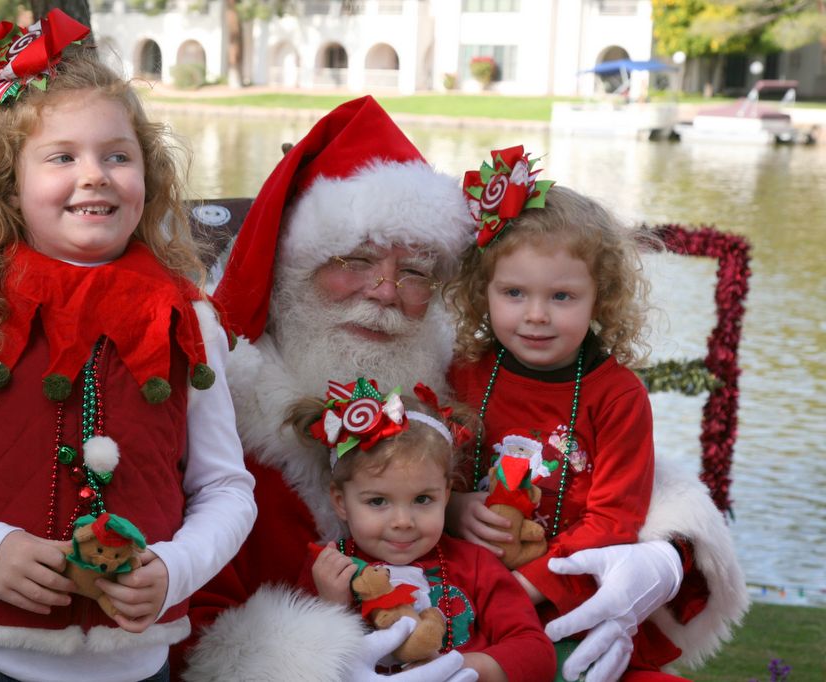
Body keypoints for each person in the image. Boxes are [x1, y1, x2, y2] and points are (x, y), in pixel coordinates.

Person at [177, 97, 747, 681]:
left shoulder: (452, 368)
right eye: (355, 259)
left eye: (416, 271)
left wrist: (666, 553)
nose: (384, 290)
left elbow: (596, 471)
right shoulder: (217, 397)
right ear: (294, 266)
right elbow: (188, 618)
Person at [0, 11, 256, 682]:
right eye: (62, 156)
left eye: (117, 155)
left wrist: (173, 568)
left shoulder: (188, 317)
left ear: (147, 175)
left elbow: (225, 487)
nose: (94, 175)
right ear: (11, 182)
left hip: (139, 667)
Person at [446, 146, 682, 679]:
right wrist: (456, 508)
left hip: (568, 596)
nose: (535, 315)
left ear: (601, 298)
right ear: (482, 293)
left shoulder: (617, 395)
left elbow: (613, 519)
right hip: (461, 584)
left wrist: (524, 587)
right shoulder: (462, 373)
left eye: (561, 296)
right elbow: (427, 472)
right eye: (513, 292)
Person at [292, 378, 556, 681]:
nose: (403, 521)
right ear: (341, 501)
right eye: (378, 501)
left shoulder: (476, 565)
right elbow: (299, 663)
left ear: (446, 494)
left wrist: (465, 667)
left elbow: (537, 653)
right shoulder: (329, 570)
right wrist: (333, 607)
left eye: (422, 499)